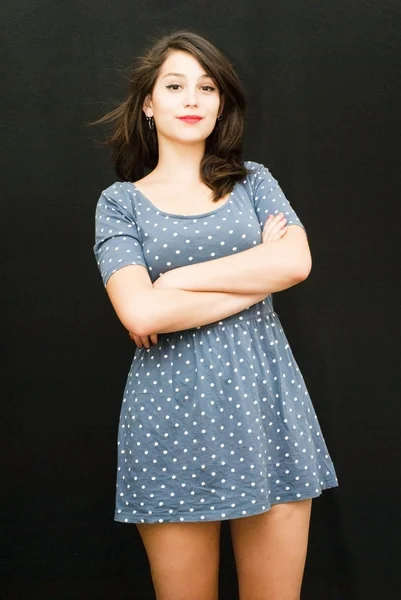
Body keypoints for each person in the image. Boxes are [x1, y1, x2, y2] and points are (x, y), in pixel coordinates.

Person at [92, 29, 338, 600]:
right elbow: (138, 308)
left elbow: (296, 262)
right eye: (174, 86)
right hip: (169, 422)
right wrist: (257, 272)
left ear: (221, 102)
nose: (192, 99)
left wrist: (175, 280)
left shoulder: (256, 182)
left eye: (207, 87)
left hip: (268, 411)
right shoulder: (119, 203)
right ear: (148, 104)